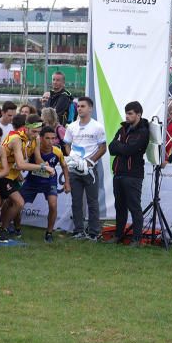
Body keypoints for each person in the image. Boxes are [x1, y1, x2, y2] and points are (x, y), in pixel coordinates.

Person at [63, 96, 106, 241]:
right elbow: (67, 145)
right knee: (76, 201)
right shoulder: (72, 126)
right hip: (74, 168)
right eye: (78, 106)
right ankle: (78, 230)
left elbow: (102, 148)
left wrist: (89, 162)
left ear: (90, 108)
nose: (80, 108)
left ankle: (94, 232)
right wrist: (73, 158)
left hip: (90, 169)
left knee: (92, 201)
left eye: (83, 106)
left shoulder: (97, 127)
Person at [108, 101, 150, 245]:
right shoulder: (123, 129)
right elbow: (111, 147)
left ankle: (137, 239)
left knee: (134, 207)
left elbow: (130, 150)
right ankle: (118, 236)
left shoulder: (144, 131)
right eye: (126, 113)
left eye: (130, 113)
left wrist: (121, 146)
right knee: (119, 207)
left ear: (138, 114)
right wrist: (122, 147)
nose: (127, 116)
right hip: (118, 172)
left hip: (133, 175)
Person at [19, 126, 70, 243]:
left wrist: (67, 183)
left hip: (49, 181)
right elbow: (21, 162)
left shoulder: (57, 151)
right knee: (18, 204)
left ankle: (49, 233)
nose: (51, 141)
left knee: (53, 205)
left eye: (53, 138)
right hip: (32, 181)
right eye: (47, 138)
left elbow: (64, 166)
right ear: (41, 138)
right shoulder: (32, 149)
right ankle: (16, 229)